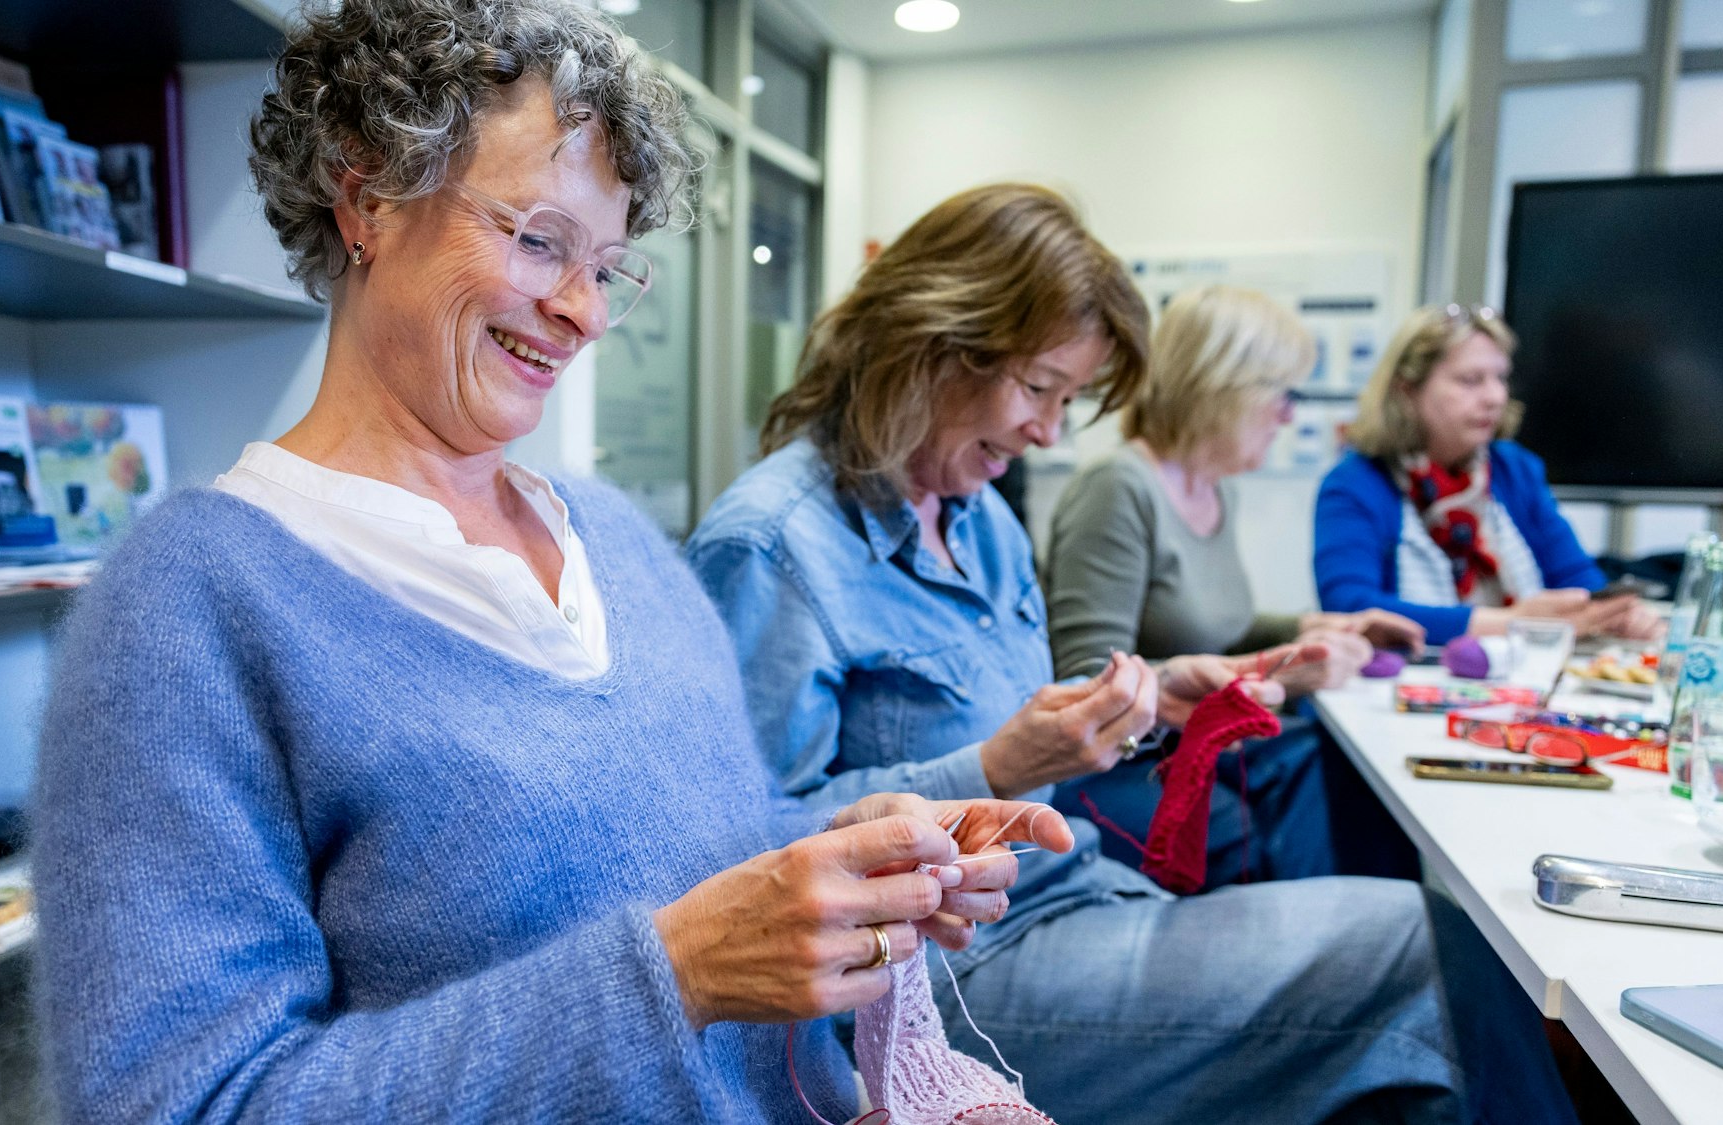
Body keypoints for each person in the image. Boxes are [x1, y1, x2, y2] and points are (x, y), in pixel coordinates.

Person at [29, 4, 1064, 1120]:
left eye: (609, 268)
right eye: (536, 241)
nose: (581, 313)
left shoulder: (612, 541)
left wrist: (840, 863)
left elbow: (686, 856)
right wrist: (674, 978)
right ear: (366, 196)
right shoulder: (190, 610)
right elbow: (185, 1103)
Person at [687, 184, 1580, 1125]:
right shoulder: (772, 545)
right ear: (929, 345)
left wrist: (1147, 698)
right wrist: (992, 769)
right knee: (1425, 954)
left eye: (1067, 399)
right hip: (947, 974)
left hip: (1076, 896)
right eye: (1039, 388)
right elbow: (744, 850)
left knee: (1415, 1010)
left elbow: (1023, 715)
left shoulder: (977, 514)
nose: (1047, 431)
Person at [1043, 285, 1422, 885]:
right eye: (1283, 393)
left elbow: (1221, 625)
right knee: (1259, 832)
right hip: (1112, 766)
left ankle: (1364, 944)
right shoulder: (1118, 488)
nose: (1291, 415)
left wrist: (1315, 630)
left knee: (1342, 772)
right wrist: (1270, 672)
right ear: (1221, 387)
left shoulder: (1215, 486)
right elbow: (1089, 681)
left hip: (1181, 744)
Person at [1315, 303, 1659, 645]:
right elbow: (1350, 608)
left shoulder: (1515, 469)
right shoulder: (1354, 483)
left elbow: (1576, 581)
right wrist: (1510, 623)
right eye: (1470, 380)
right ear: (1407, 390)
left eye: (1500, 378)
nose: (1495, 397)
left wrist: (1617, 613)